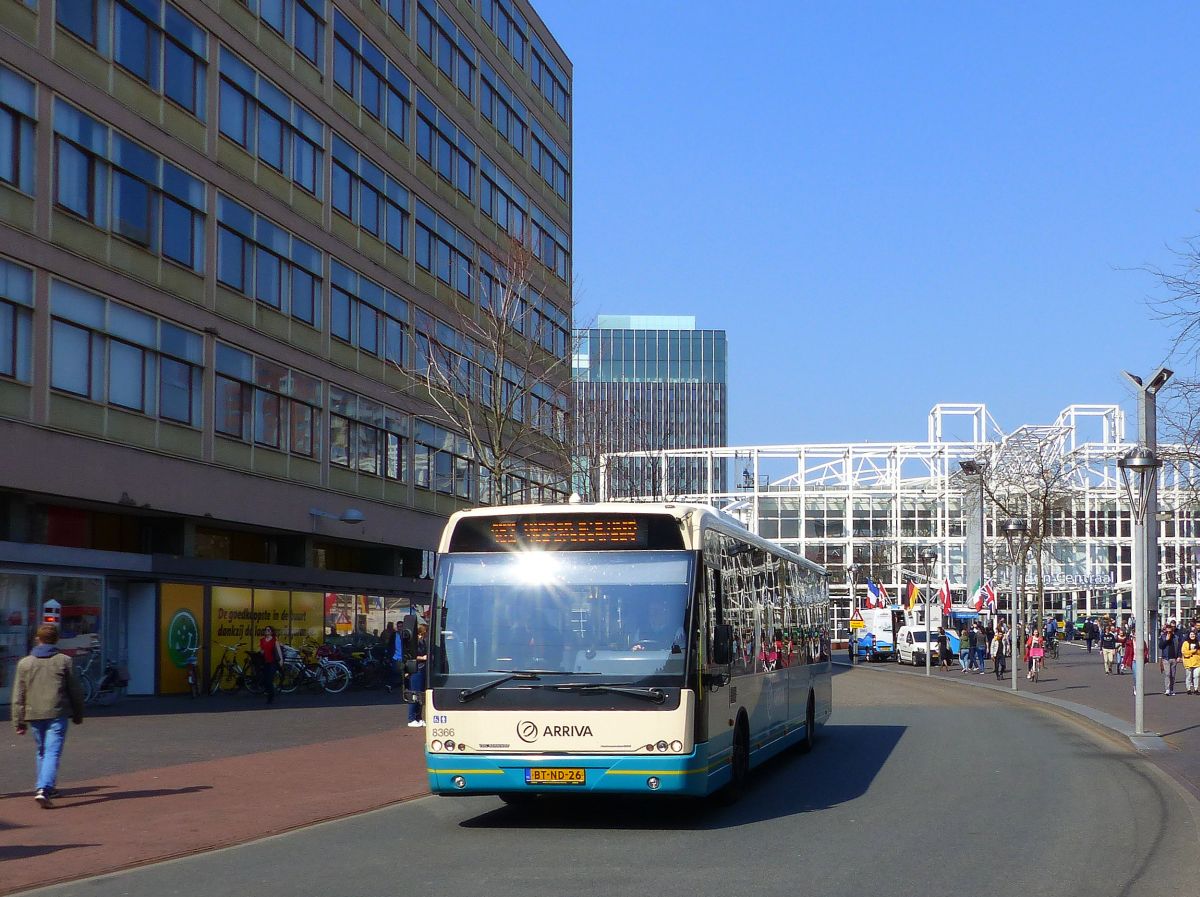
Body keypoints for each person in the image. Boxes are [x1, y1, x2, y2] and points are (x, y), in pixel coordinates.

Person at [11, 624, 85, 808]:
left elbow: (18, 694)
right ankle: (44, 788)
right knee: (52, 751)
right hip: (56, 712)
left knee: (42, 750)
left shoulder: (25, 663)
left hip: (33, 713)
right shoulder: (64, 661)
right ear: (56, 639)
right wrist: (78, 713)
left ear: (38, 639)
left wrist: (18, 721)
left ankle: (44, 786)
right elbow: (74, 690)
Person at [407, 623, 428, 728]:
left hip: (422, 668)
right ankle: (411, 718)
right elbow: (411, 655)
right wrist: (423, 658)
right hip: (416, 669)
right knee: (414, 693)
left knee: (420, 695)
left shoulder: (422, 641)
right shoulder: (414, 642)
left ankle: (419, 717)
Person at [258, 626, 283, 704]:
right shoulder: (262, 640)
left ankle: (270, 697)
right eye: (266, 630)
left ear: (271, 632)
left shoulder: (274, 640)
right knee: (265, 680)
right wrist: (261, 652)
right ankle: (269, 693)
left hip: (273, 662)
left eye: (268, 630)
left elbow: (278, 650)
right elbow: (262, 650)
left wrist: (281, 661)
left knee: (269, 680)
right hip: (265, 662)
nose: (267, 631)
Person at [1159, 622, 1183, 697]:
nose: (1168, 632)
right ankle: (1167, 689)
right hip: (1166, 658)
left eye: (1170, 631)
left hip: (1174, 658)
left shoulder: (1175, 637)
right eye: (1167, 631)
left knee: (1172, 675)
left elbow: (1179, 647)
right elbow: (1161, 646)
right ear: (1165, 631)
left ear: (1172, 631)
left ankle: (1171, 689)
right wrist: (1166, 640)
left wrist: (1179, 656)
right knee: (1167, 674)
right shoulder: (1163, 637)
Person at [1181, 630, 1200, 695]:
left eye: (1194, 634)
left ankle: (1196, 689)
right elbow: (1184, 652)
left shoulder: (1198, 643)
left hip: (1197, 662)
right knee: (1188, 676)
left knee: (1196, 676)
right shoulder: (1185, 643)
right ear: (1189, 635)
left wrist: (1197, 651)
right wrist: (1193, 651)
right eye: (1191, 634)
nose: (1193, 635)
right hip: (1188, 662)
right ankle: (1188, 689)